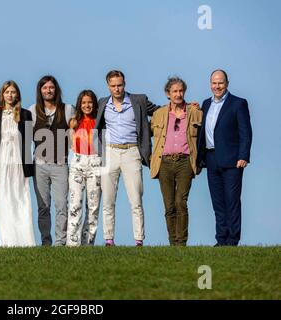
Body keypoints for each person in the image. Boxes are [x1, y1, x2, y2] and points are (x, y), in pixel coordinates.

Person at [95, 70, 159, 247]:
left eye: (120, 85)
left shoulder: (138, 100)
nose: (117, 89)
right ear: (108, 86)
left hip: (132, 152)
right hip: (110, 152)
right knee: (108, 199)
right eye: (113, 86)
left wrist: (185, 107)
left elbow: (160, 112)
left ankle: (139, 240)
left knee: (136, 199)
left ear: (125, 84)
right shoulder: (102, 103)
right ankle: (109, 239)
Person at [197, 69, 252, 246]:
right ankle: (221, 239)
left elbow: (246, 133)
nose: (217, 86)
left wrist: (244, 155)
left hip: (233, 160)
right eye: (214, 82)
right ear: (210, 84)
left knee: (232, 201)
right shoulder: (205, 104)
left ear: (227, 83)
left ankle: (232, 240)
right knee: (218, 203)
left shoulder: (238, 103)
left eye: (220, 82)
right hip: (211, 159)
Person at [150, 77, 203, 246]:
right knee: (169, 205)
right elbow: (146, 134)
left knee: (181, 202)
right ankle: (173, 242)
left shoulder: (195, 112)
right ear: (168, 94)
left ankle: (181, 242)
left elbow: (204, 137)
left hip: (185, 162)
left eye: (181, 91)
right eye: (175, 91)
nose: (178, 94)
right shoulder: (158, 115)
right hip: (164, 163)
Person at [0, 80, 36, 247]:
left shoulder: (26, 114)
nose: (10, 95)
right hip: (0, 163)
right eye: (7, 92)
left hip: (20, 163)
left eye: (13, 92)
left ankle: (25, 240)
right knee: (3, 200)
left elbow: (29, 141)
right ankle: (7, 240)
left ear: (17, 95)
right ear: (2, 94)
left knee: (21, 199)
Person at [30, 75, 74, 246]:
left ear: (56, 90)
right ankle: (46, 241)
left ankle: (60, 242)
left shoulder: (68, 109)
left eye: (51, 87)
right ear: (40, 91)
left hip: (60, 164)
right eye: (45, 88)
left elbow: (79, 128)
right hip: (39, 165)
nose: (48, 91)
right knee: (43, 206)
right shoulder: (33, 110)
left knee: (62, 204)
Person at [66, 90, 102, 246]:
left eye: (90, 102)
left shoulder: (100, 121)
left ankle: (88, 243)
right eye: (84, 103)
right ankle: (72, 244)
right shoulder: (73, 122)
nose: (87, 105)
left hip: (96, 163)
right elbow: (69, 144)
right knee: (75, 205)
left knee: (93, 207)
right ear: (79, 104)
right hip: (78, 163)